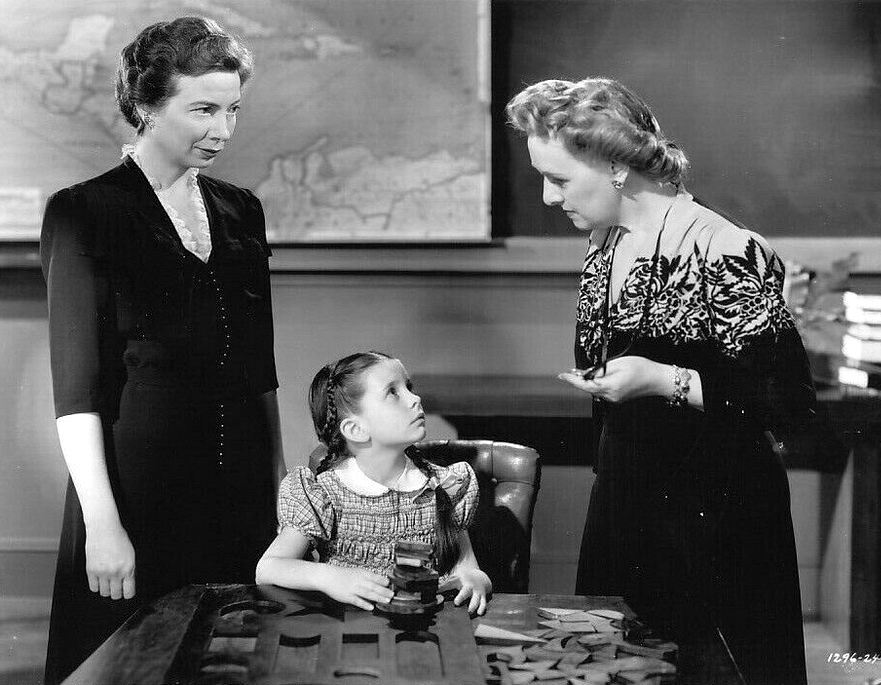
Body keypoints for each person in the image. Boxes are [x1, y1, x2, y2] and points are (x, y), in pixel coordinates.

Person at [506, 77, 812, 684]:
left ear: (616, 167)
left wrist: (661, 380)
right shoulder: (604, 241)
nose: (546, 196)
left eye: (558, 179)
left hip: (717, 521)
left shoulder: (725, 248)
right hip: (626, 503)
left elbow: (788, 401)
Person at [40, 17, 283, 684]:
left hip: (238, 492)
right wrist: (102, 524)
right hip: (136, 495)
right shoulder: (84, 212)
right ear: (147, 106)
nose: (223, 130)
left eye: (233, 110)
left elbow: (258, 371)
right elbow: (77, 390)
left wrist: (279, 488)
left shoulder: (242, 210)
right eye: (203, 110)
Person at [256, 351, 492, 616]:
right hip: (351, 632)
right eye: (393, 392)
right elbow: (269, 567)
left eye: (409, 388)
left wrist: (475, 579)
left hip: (426, 629)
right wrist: (330, 577)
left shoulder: (444, 486)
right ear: (355, 430)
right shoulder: (325, 494)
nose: (415, 399)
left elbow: (469, 568)